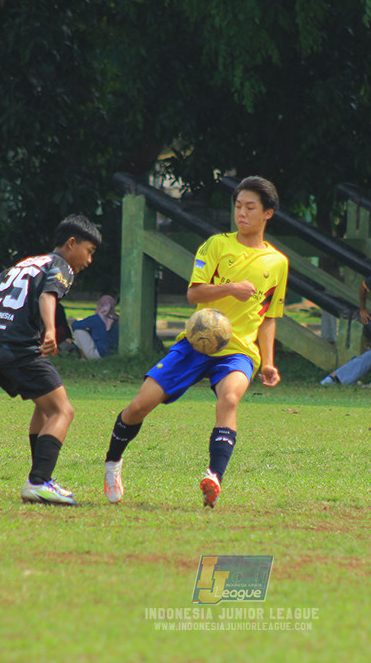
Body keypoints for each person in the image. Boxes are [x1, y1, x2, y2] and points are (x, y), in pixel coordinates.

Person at [102, 176, 289, 508]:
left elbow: (269, 316)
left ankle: (214, 478)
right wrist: (230, 288)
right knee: (138, 407)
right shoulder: (216, 245)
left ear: (268, 214)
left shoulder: (277, 263)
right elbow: (194, 293)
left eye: (250, 207)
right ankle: (113, 462)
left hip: (238, 349)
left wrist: (270, 361)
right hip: (197, 341)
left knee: (229, 399)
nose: (241, 213)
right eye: (238, 206)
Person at [0, 214, 101, 506]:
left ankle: (40, 479)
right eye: (88, 252)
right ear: (72, 243)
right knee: (63, 411)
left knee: (44, 406)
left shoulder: (26, 262)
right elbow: (48, 296)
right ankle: (38, 482)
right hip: (15, 345)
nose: (89, 260)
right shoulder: (60, 265)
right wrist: (51, 330)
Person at [71, 294, 119, 359]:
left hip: (98, 355)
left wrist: (88, 330)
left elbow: (74, 325)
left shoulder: (97, 318)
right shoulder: (116, 319)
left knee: (78, 331)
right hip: (112, 355)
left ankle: (83, 357)